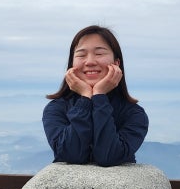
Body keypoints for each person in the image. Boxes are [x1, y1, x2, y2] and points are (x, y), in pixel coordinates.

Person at [43, 25, 148, 166]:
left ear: (116, 63)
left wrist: (99, 96)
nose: (90, 62)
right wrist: (85, 98)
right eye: (81, 55)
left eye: (99, 54)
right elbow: (70, 154)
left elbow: (109, 156)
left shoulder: (134, 113)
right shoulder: (56, 109)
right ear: (71, 64)